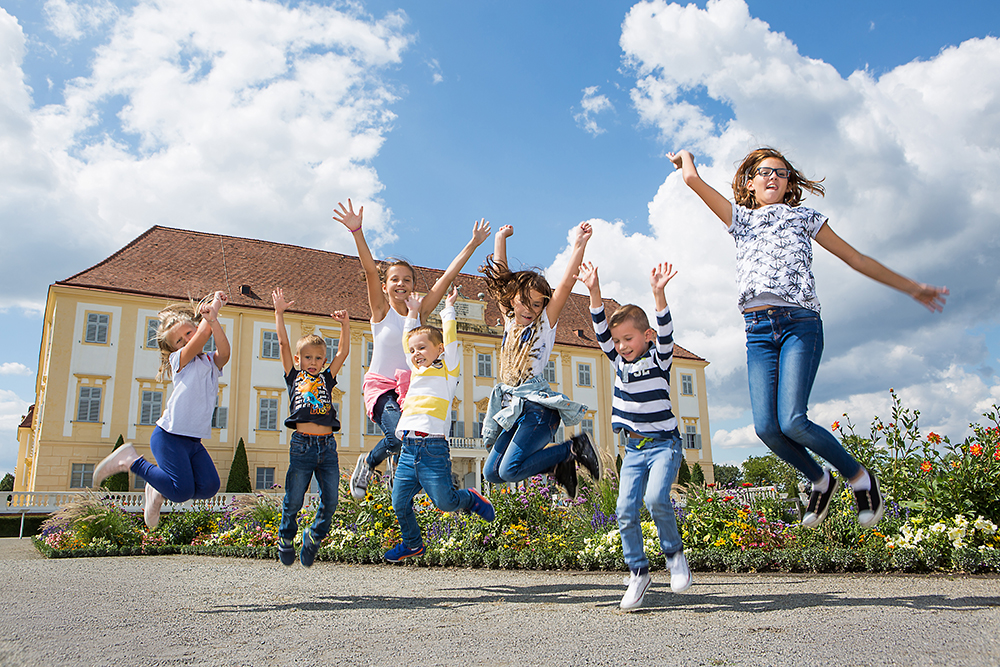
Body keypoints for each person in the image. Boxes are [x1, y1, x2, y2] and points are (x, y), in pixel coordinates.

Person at [668, 147, 948, 529]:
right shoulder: (741, 220)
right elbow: (692, 180)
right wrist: (685, 158)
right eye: (765, 172)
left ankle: (860, 478)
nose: (773, 177)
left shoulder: (806, 218)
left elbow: (856, 258)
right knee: (767, 428)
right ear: (749, 183)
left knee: (794, 421)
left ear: (789, 184)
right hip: (758, 331)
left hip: (800, 323)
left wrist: (911, 288)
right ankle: (819, 479)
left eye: (782, 173)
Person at [333, 199, 491, 500]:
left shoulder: (418, 313)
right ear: (385, 286)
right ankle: (369, 461)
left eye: (407, 280)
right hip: (381, 386)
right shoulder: (380, 311)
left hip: (410, 389)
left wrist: (472, 244)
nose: (401, 284)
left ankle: (397, 478)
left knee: (407, 441)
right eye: (395, 280)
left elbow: (445, 280)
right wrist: (357, 232)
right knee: (396, 435)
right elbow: (369, 270)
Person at [577, 260, 692, 610]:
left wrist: (659, 294)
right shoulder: (618, 362)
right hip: (633, 450)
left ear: (647, 337)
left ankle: (674, 556)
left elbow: (667, 331)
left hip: (663, 446)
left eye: (629, 339)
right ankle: (638, 572)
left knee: (656, 499)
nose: (623, 346)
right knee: (624, 509)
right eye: (619, 341)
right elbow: (599, 330)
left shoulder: (660, 359)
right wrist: (594, 290)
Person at [479, 223, 600, 498]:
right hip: (516, 409)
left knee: (509, 470)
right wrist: (500, 238)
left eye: (537, 304)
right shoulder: (510, 319)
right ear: (513, 300)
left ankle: (574, 448)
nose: (531, 310)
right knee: (491, 472)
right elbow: (500, 277)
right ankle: (560, 466)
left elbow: (567, 282)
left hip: (537, 410)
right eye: (525, 302)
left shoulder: (544, 324)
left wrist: (579, 243)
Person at [93, 291, 231, 529]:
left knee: (210, 487)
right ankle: (131, 460)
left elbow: (225, 352)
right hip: (169, 437)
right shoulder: (180, 361)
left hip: (193, 441)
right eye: (180, 340)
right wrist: (214, 308)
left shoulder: (209, 362)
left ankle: (158, 487)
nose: (187, 340)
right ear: (174, 349)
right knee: (181, 492)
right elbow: (203, 333)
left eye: (188, 333)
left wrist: (214, 318)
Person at [384, 288, 495, 562]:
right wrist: (411, 313)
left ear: (439, 349)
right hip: (408, 449)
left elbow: (453, 341)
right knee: (399, 501)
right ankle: (413, 544)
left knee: (444, 502)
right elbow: (405, 342)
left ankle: (470, 498)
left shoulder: (448, 371)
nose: (416, 353)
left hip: (433, 449)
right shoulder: (416, 370)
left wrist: (449, 308)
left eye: (422, 348)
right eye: (413, 350)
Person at [272, 288, 350, 567]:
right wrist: (279, 313)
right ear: (298, 360)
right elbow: (282, 344)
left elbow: (343, 352)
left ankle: (313, 537)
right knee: (293, 500)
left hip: (328, 448)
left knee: (331, 502)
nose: (314, 362)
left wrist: (345, 325)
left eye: (318, 358)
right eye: (308, 358)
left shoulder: (328, 378)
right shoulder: (294, 377)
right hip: (302, 445)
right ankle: (285, 537)